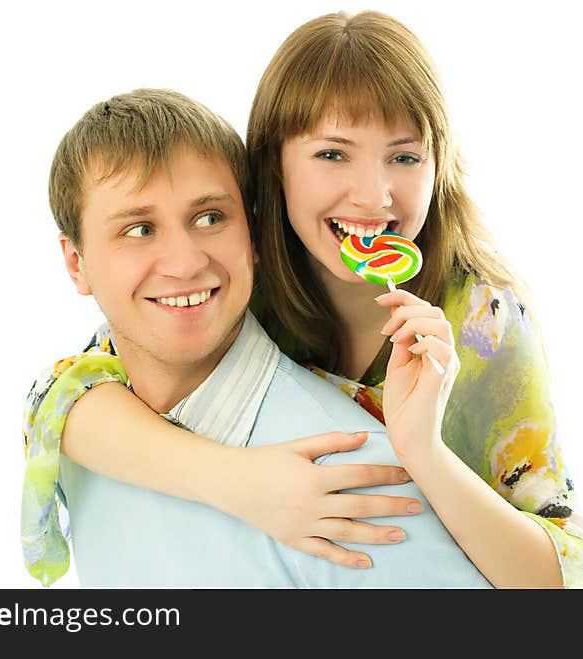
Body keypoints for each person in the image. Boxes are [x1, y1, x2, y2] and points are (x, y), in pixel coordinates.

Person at [23, 10, 583, 589]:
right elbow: (67, 396)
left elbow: (581, 581)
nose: (372, 195)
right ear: (273, 171)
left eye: (405, 156)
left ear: (438, 167)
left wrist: (426, 454)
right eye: (332, 154)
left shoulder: (481, 322)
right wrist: (239, 483)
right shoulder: (229, 287)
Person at [30, 86, 492, 587]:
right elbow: (51, 398)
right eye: (139, 229)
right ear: (76, 264)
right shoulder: (75, 423)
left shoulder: (353, 483)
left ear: (252, 237)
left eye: (210, 218)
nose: (185, 264)